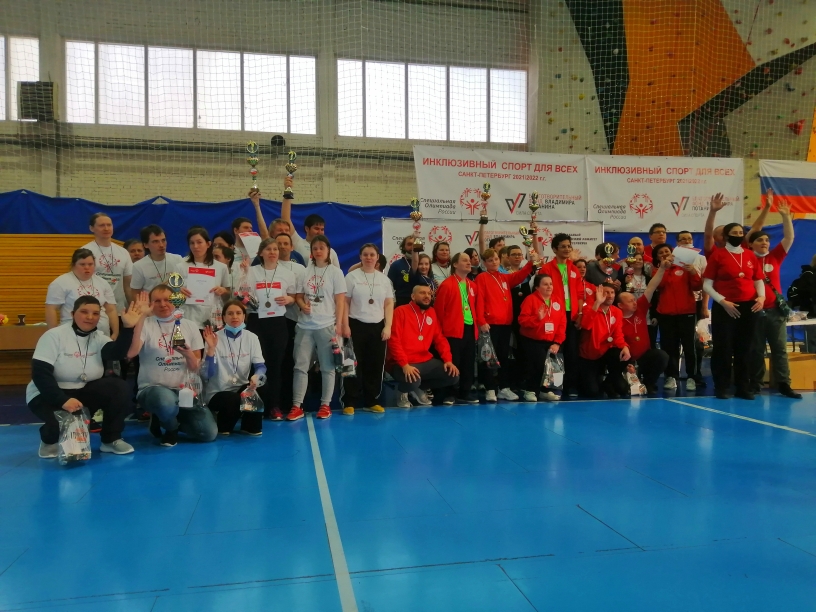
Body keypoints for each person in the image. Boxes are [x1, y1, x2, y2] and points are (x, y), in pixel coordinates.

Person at [27, 294, 149, 459]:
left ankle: (111, 439)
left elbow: (117, 353)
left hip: (82, 391)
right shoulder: (53, 336)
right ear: (72, 314)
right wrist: (62, 400)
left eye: (95, 313)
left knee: (119, 387)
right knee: (61, 422)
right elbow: (40, 374)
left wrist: (128, 328)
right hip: (47, 393)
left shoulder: (99, 337)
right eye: (84, 312)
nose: (90, 317)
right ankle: (49, 441)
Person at [127, 284, 216, 446]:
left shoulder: (190, 326)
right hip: (153, 389)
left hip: (184, 392)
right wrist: (141, 316)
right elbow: (131, 353)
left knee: (208, 434)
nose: (163, 304)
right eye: (157, 301)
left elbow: (195, 368)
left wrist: (187, 354)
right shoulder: (145, 324)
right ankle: (171, 428)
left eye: (167, 299)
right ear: (150, 304)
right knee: (165, 401)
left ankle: (164, 418)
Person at [703, 222, 765, 400]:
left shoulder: (750, 254)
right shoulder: (718, 255)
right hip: (725, 307)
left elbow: (758, 280)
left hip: (749, 307)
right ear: (726, 236)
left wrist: (761, 297)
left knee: (745, 348)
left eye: (740, 232)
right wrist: (723, 302)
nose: (738, 235)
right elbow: (707, 285)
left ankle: (743, 387)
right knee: (723, 348)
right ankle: (721, 387)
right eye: (734, 232)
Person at [747, 200, 802, 399]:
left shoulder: (775, 257)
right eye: (760, 240)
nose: (764, 243)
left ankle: (784, 384)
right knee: (756, 350)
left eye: (767, 240)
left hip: (775, 312)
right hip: (754, 312)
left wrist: (786, 216)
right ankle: (756, 384)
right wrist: (766, 208)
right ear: (750, 244)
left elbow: (789, 237)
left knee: (780, 350)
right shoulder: (746, 259)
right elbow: (751, 233)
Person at [291, 235, 347, 420]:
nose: (318, 251)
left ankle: (325, 405)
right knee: (300, 366)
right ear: (311, 252)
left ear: (328, 250)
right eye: (315, 248)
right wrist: (302, 305)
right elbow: (298, 296)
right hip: (305, 325)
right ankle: (296, 406)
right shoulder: (304, 272)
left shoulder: (335, 272)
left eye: (322, 247)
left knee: (327, 367)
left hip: (327, 325)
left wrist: (339, 325)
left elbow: (340, 301)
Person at [245, 238, 298, 420]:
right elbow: (242, 295)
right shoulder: (251, 272)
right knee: (256, 365)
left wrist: (289, 299)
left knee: (275, 366)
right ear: (261, 253)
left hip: (277, 323)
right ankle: (255, 406)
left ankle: (274, 406)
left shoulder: (287, 273)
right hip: (256, 321)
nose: (273, 252)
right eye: (268, 249)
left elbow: (293, 297)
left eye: (275, 249)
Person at [475, 247, 536, 402]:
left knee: (503, 356)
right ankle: (490, 389)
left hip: (505, 324)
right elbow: (479, 300)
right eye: (490, 260)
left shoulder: (504, 277)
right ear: (484, 263)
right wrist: (481, 321)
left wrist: (530, 262)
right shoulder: (482, 277)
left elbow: (520, 275)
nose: (494, 262)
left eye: (496, 259)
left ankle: (504, 388)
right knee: (488, 357)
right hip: (490, 324)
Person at [341, 244, 394, 414]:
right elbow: (345, 302)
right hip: (355, 324)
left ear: (377, 257)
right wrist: (345, 325)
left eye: (372, 255)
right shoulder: (351, 277)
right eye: (365, 254)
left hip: (377, 326)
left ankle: (372, 400)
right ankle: (349, 401)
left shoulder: (384, 280)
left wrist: (388, 326)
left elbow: (388, 303)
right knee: (351, 365)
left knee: (375, 365)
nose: (369, 257)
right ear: (360, 257)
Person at [387, 285, 460, 408]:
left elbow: (440, 339)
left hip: (425, 360)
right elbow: (394, 341)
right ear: (413, 296)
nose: (427, 296)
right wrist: (405, 365)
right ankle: (402, 392)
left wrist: (448, 360)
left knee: (453, 375)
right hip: (401, 362)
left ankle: (417, 388)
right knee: (413, 380)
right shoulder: (400, 311)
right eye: (422, 293)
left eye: (429, 294)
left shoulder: (431, 312)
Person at [202, 300, 268, 435]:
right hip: (217, 392)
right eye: (230, 313)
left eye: (238, 313)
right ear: (224, 317)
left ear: (244, 316)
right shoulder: (213, 338)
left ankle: (248, 426)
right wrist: (211, 349)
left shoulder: (252, 338)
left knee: (261, 386)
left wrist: (257, 376)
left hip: (240, 388)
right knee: (233, 399)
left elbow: (260, 366)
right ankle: (222, 425)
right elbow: (207, 374)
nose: (234, 317)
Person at [652, 243, 703, 391]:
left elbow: (697, 286)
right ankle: (671, 377)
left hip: (687, 313)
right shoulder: (657, 271)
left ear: (673, 253)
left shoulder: (685, 268)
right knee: (669, 347)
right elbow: (658, 286)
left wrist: (693, 272)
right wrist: (663, 268)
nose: (664, 254)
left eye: (667, 251)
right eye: (660, 253)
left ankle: (692, 377)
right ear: (657, 257)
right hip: (666, 314)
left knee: (689, 346)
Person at [432, 252, 481, 404]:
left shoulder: (472, 285)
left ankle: (465, 392)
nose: (469, 262)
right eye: (464, 260)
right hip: (451, 330)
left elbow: (475, 308)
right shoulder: (447, 285)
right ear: (455, 264)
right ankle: (449, 393)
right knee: (453, 362)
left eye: (469, 260)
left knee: (468, 362)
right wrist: (439, 333)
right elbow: (439, 311)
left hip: (469, 328)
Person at [540, 234, 583, 398]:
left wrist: (580, 313)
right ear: (554, 249)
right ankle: (553, 385)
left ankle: (570, 386)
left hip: (571, 316)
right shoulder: (547, 269)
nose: (567, 249)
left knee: (572, 352)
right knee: (555, 352)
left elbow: (580, 294)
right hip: (554, 316)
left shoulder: (574, 269)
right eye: (563, 246)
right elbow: (542, 294)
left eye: (569, 246)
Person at [617, 268, 669, 395]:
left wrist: (662, 268)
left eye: (634, 300)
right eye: (630, 301)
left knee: (661, 356)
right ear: (620, 305)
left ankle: (649, 383)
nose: (634, 303)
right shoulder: (616, 318)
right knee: (622, 390)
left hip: (643, 358)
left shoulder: (640, 309)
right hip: (625, 360)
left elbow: (651, 287)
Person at [46, 248, 119, 339]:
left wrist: (115, 333)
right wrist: (53, 335)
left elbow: (111, 310)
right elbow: (51, 309)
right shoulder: (60, 283)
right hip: (72, 335)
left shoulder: (102, 283)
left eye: (90, 264)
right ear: (73, 265)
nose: (87, 267)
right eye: (82, 264)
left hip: (101, 335)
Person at [518, 274, 566, 402]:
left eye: (551, 284)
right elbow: (522, 321)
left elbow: (562, 324)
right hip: (533, 340)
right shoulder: (530, 300)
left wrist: (557, 342)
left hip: (551, 341)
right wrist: (537, 319)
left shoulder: (557, 301)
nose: (549, 286)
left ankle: (545, 391)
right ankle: (530, 390)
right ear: (537, 287)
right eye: (545, 284)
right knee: (536, 366)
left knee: (551, 368)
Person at [579, 283, 631, 398]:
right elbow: (586, 325)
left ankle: (609, 382)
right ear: (599, 294)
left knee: (624, 355)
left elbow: (618, 334)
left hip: (606, 351)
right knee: (592, 392)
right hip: (590, 355)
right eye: (606, 292)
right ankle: (600, 382)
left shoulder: (617, 312)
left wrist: (624, 346)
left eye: (612, 293)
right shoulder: (590, 307)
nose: (610, 296)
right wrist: (597, 303)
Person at [275, 232, 307, 416]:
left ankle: (291, 403)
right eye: (278, 243)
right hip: (274, 320)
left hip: (295, 321)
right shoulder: (268, 267)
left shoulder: (300, 269)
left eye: (285, 243)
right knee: (277, 363)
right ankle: (275, 403)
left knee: (291, 362)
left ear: (292, 247)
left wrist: (297, 301)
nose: (282, 247)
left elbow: (303, 294)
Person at [280, 175, 341, 267]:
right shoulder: (298, 243)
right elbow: (286, 219)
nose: (319, 232)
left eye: (322, 229)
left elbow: (337, 273)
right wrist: (287, 191)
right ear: (307, 229)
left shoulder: (331, 251)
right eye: (316, 228)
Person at [177, 228, 231, 330]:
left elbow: (228, 293)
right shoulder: (180, 267)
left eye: (199, 242)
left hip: (212, 319)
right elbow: (171, 294)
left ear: (208, 244)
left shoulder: (221, 267)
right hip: (188, 318)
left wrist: (223, 290)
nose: (195, 246)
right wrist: (178, 291)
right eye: (192, 243)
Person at [82, 213, 133, 315]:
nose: (106, 228)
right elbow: (80, 283)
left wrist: (132, 306)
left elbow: (127, 285)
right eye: (101, 225)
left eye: (109, 225)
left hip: (119, 310)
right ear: (91, 228)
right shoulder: (85, 251)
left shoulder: (123, 252)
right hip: (94, 311)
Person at [704, 191, 770, 258]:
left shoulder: (742, 247)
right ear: (715, 238)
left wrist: (767, 207)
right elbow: (708, 235)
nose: (727, 235)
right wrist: (713, 212)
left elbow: (756, 228)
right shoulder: (713, 250)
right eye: (722, 234)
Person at [130, 224, 185, 296]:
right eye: (155, 241)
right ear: (146, 245)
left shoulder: (178, 259)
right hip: (151, 302)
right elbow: (135, 292)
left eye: (163, 240)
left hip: (175, 301)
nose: (161, 245)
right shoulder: (138, 266)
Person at [387, 235, 418, 307]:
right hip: (402, 302)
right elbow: (389, 286)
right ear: (404, 247)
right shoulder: (396, 265)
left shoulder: (424, 264)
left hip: (421, 302)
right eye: (409, 244)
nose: (412, 247)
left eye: (415, 244)